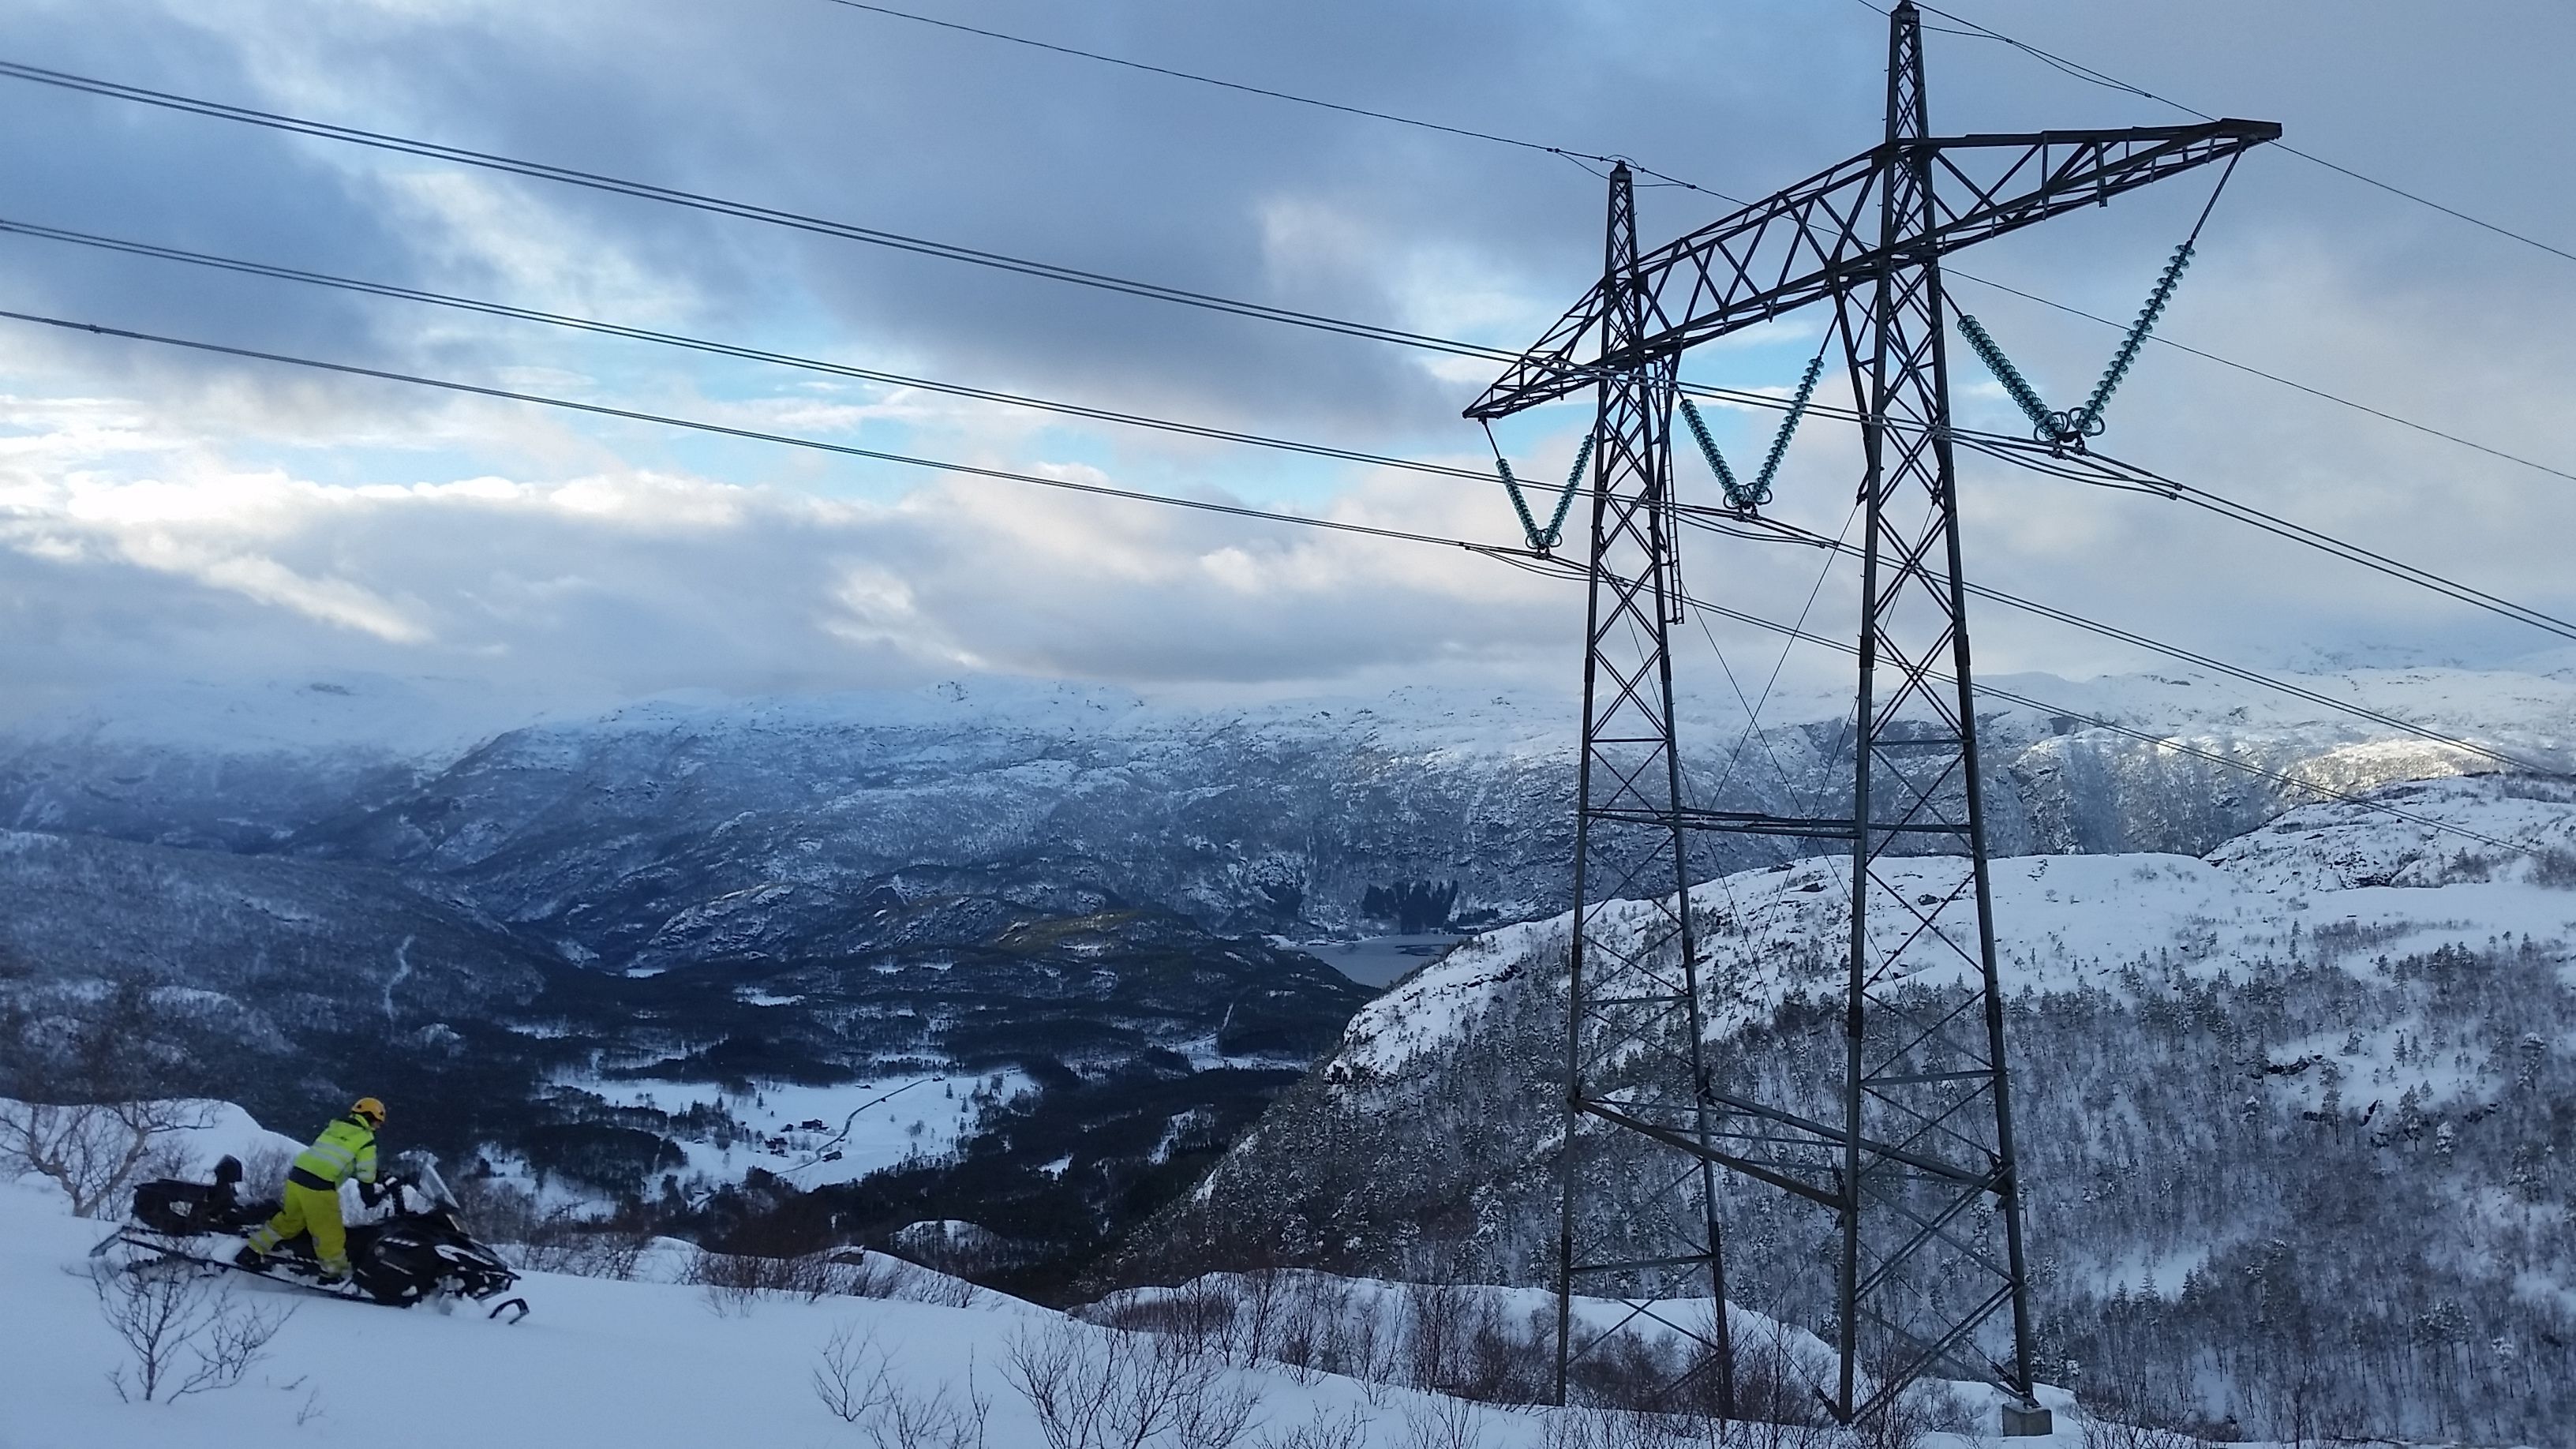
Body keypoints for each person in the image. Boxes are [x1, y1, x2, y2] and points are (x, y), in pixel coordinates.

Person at [238, 1097, 386, 1282]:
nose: (377, 1127)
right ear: (371, 1118)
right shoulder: (365, 1139)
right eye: (378, 1122)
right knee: (329, 1233)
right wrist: (370, 1197)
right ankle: (334, 1273)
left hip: (297, 1177)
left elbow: (336, 1157)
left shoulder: (336, 1127)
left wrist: (375, 1175)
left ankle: (251, 1251)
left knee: (290, 1221)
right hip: (319, 1186)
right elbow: (366, 1174)